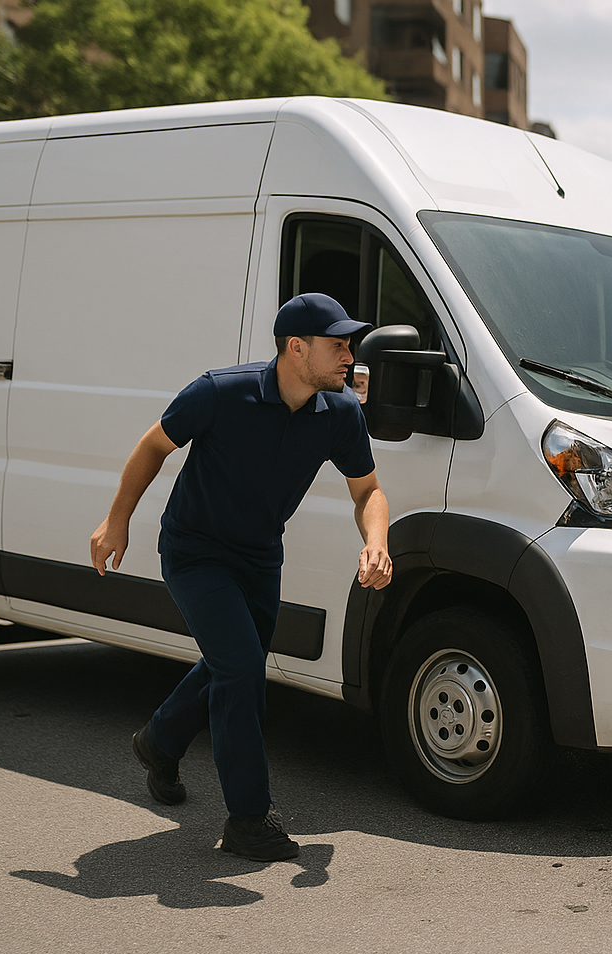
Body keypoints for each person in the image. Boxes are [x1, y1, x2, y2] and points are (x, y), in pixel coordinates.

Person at [89, 293, 393, 861]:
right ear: (295, 348)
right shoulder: (221, 392)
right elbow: (154, 445)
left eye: (349, 345)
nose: (349, 356)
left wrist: (376, 542)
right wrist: (118, 518)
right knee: (244, 667)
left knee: (232, 661)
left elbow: (367, 489)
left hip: (259, 556)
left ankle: (160, 741)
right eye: (337, 345)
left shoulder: (341, 413)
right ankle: (249, 818)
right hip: (195, 550)